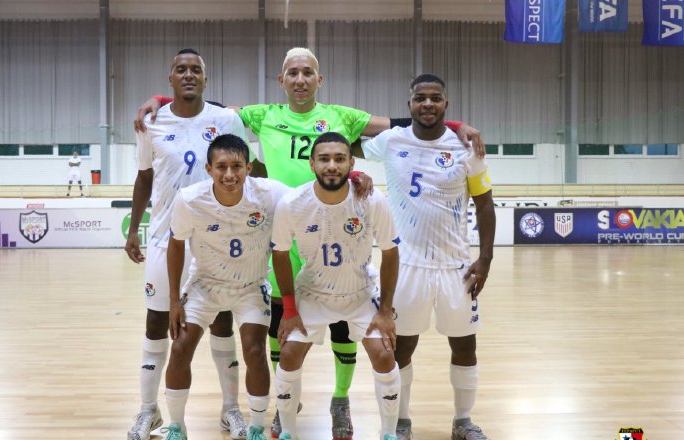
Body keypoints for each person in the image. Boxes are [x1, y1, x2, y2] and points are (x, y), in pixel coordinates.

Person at [135, 47, 485, 440]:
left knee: (342, 331)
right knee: (281, 323)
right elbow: (205, 105)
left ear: (320, 80)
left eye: (308, 73)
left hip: (335, 226)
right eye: (292, 73)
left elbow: (409, 121)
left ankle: (340, 400)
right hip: (282, 228)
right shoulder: (263, 114)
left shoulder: (343, 116)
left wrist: (455, 126)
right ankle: (287, 407)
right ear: (281, 81)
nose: (300, 79)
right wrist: (162, 101)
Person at [360, 74, 496, 440]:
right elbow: (346, 144)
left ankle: (463, 421)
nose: (428, 104)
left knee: (465, 344)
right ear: (409, 106)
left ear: (446, 105)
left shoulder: (466, 148)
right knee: (402, 345)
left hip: (456, 267)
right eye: (421, 98)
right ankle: (400, 421)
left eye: (436, 98)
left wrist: (485, 260)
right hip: (406, 267)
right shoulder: (391, 140)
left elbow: (485, 205)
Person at [126, 49, 251, 440]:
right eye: (181, 69)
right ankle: (149, 411)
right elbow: (144, 177)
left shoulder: (225, 119)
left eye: (196, 69)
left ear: (205, 78)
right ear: (170, 79)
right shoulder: (151, 123)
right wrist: (134, 229)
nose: (189, 75)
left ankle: (231, 409)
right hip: (165, 239)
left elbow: (251, 170)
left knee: (222, 321)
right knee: (156, 322)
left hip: (215, 241)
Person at [270, 132, 401, 440]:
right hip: (313, 293)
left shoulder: (371, 200)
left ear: (351, 163)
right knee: (288, 353)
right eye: (324, 159)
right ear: (312, 163)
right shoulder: (292, 203)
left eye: (340, 159)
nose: (332, 165)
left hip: (359, 292)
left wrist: (385, 311)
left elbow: (391, 252)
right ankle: (288, 431)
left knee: (384, 354)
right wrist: (289, 310)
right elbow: (279, 255)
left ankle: (389, 433)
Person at [162, 134, 290, 440]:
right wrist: (174, 301)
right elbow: (176, 245)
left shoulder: (269, 193)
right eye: (222, 167)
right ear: (209, 169)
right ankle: (177, 426)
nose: (229, 174)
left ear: (249, 168)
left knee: (255, 350)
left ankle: (257, 426)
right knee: (179, 349)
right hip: (204, 285)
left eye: (237, 166)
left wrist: (354, 176)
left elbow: (312, 194)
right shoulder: (190, 199)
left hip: (250, 285)